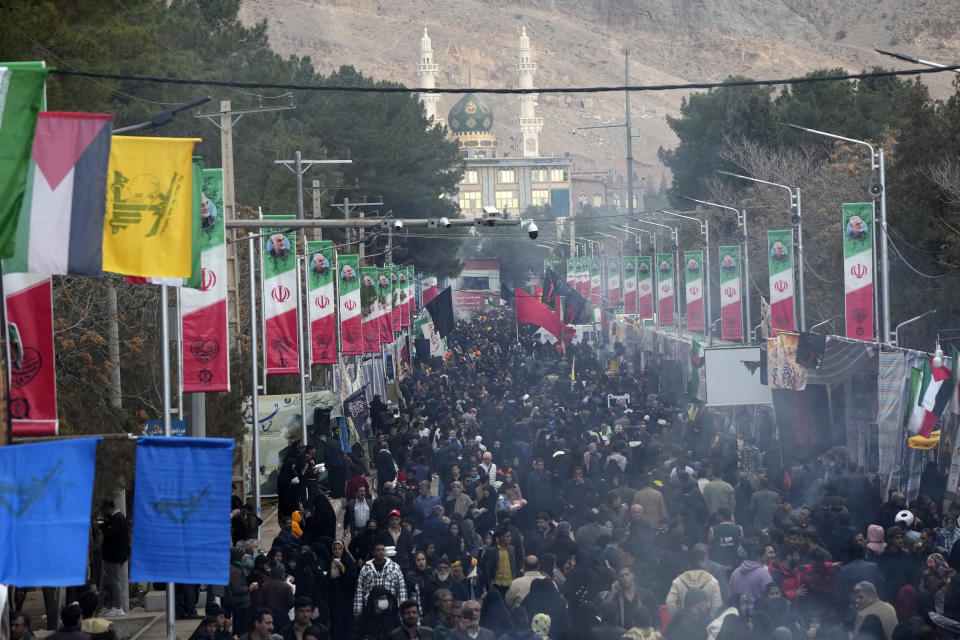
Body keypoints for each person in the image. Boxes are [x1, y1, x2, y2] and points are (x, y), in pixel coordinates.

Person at [354, 543, 407, 617]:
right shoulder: (365, 568)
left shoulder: (395, 567)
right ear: (373, 552)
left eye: (383, 550)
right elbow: (359, 590)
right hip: (371, 609)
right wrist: (358, 610)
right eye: (378, 550)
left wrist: (403, 610)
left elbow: (402, 590)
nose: (381, 552)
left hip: (390, 608)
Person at [667, 549, 723, 616]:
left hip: (685, 623)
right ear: (703, 560)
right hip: (706, 623)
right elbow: (717, 605)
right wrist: (711, 618)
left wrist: (679, 616)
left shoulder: (678, 581)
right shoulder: (712, 581)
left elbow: (670, 603)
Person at [98, 499, 129, 617]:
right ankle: (110, 605)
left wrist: (102, 525)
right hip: (112, 555)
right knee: (110, 581)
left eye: (103, 509)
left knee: (114, 581)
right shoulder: (114, 518)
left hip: (114, 556)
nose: (103, 512)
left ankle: (118, 606)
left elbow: (110, 534)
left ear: (108, 508)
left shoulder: (117, 518)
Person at [481, 527, 519, 596]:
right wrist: (489, 584)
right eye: (507, 536)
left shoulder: (512, 549)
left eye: (510, 536)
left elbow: (514, 566)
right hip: (497, 584)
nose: (510, 538)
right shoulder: (492, 551)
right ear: (501, 538)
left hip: (510, 583)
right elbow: (487, 569)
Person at [325, 426, 346, 500]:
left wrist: (327, 465)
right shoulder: (337, 443)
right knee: (339, 480)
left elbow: (327, 456)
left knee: (333, 480)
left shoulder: (328, 444)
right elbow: (341, 453)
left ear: (327, 437)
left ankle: (334, 494)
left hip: (332, 466)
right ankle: (340, 493)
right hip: (339, 464)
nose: (338, 433)